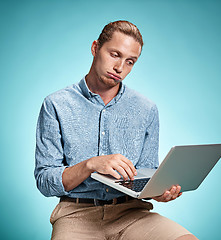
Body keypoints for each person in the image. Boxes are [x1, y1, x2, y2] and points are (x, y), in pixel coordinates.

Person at [35, 20, 198, 240]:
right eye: (114, 55)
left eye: (130, 61)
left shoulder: (146, 109)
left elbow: (147, 171)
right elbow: (45, 180)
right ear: (95, 48)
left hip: (132, 213)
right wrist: (90, 164)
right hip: (76, 215)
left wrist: (159, 192)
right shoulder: (56, 104)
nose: (120, 68)